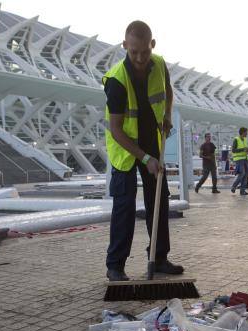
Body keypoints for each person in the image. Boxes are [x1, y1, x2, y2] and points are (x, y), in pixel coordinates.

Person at [103, 20, 184, 282]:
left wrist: (168, 116)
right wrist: (145, 158)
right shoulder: (116, 80)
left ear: (153, 45)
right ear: (125, 45)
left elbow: (168, 92)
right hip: (126, 148)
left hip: (152, 140)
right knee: (124, 205)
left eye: (145, 51)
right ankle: (115, 265)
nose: (139, 57)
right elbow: (116, 129)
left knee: (158, 200)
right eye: (133, 51)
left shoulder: (159, 64)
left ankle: (159, 258)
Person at [230, 127, 248, 195]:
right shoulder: (236, 139)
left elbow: (245, 149)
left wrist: (247, 150)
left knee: (246, 175)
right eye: (246, 132)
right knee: (242, 173)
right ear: (243, 132)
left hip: (245, 159)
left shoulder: (245, 139)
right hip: (239, 160)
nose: (247, 133)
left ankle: (242, 191)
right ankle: (234, 186)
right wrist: (243, 149)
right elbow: (233, 150)